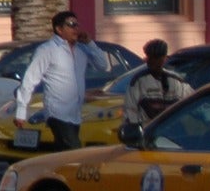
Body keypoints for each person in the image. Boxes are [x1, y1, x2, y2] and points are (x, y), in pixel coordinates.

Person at [15, 10, 110, 150]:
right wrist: (21, 110)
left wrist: (90, 43)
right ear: (59, 29)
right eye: (71, 25)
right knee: (74, 152)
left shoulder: (81, 49)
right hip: (57, 113)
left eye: (77, 24)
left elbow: (103, 65)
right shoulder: (47, 50)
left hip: (75, 114)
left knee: (63, 155)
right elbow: (30, 79)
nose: (76, 28)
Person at [121, 38, 190, 144]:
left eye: (157, 58)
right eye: (150, 57)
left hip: (175, 135)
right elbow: (130, 111)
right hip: (150, 136)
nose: (152, 61)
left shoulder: (177, 81)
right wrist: (136, 134)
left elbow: (194, 102)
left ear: (164, 58)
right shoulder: (139, 81)